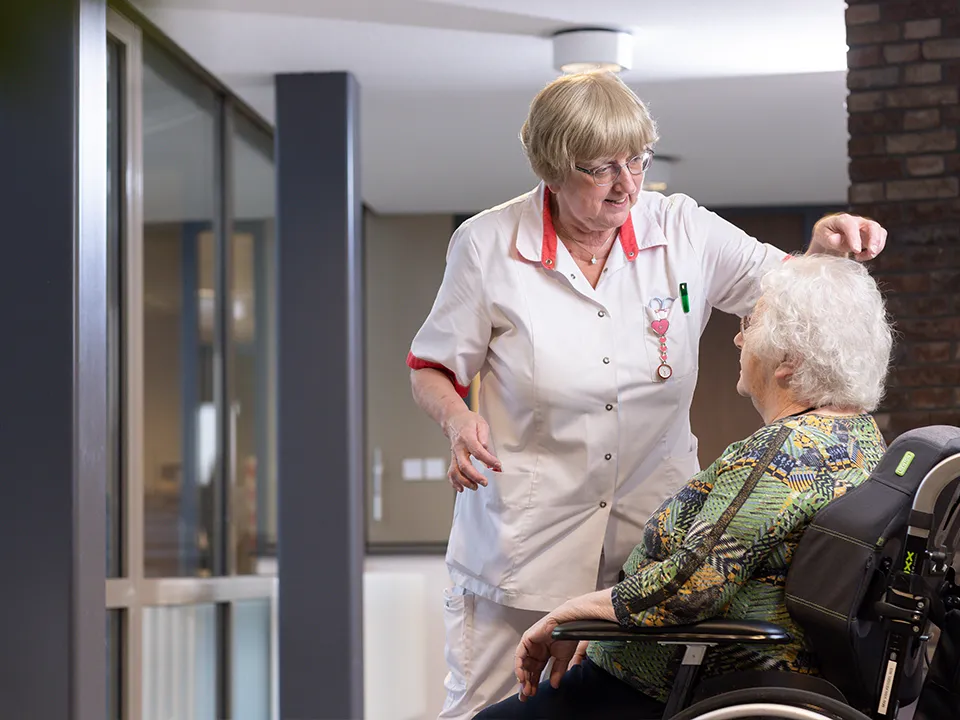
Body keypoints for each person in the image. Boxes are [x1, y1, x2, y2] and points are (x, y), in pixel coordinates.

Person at [406, 70, 889, 720]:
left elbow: (791, 299)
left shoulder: (683, 228)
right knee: (494, 709)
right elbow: (431, 366)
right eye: (600, 168)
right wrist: (458, 420)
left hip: (653, 552)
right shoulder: (487, 246)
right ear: (551, 168)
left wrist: (821, 246)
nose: (627, 184)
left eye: (637, 160)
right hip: (525, 546)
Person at [474, 255, 894, 719]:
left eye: (750, 324)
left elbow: (692, 586)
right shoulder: (860, 438)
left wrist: (573, 612)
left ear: (788, 362)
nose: (738, 338)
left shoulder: (784, 453)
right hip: (717, 667)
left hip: (676, 682)